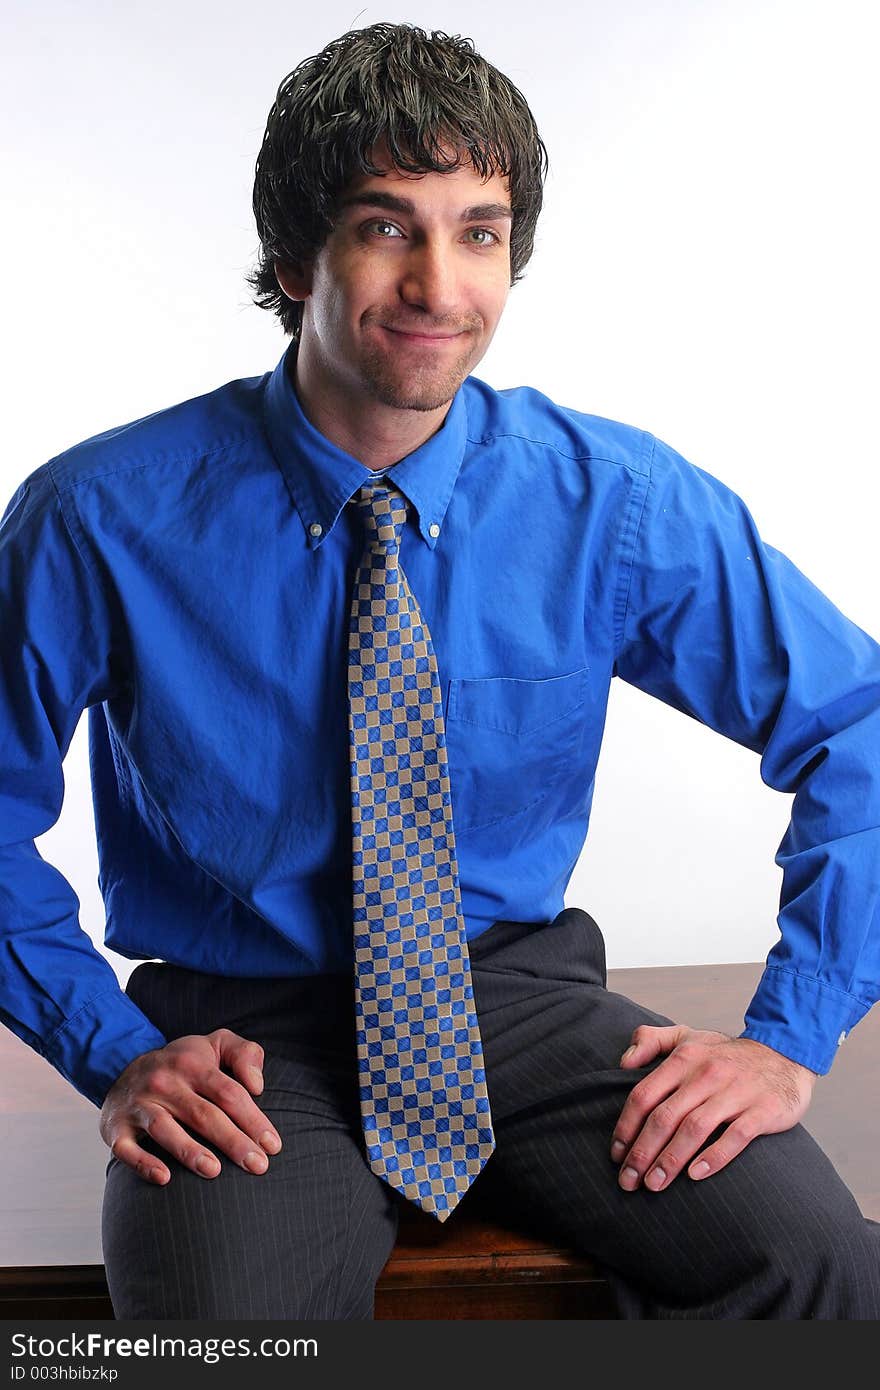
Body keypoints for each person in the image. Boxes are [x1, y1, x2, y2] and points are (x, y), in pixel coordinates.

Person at [1, 22, 879, 1320]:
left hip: (512, 1000)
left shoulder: (611, 501)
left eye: (479, 231)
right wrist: (114, 1051)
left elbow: (856, 726)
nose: (437, 284)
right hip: (247, 1033)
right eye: (386, 225)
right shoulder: (99, 517)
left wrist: (787, 1037)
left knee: (822, 1272)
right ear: (295, 256)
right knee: (229, 1339)